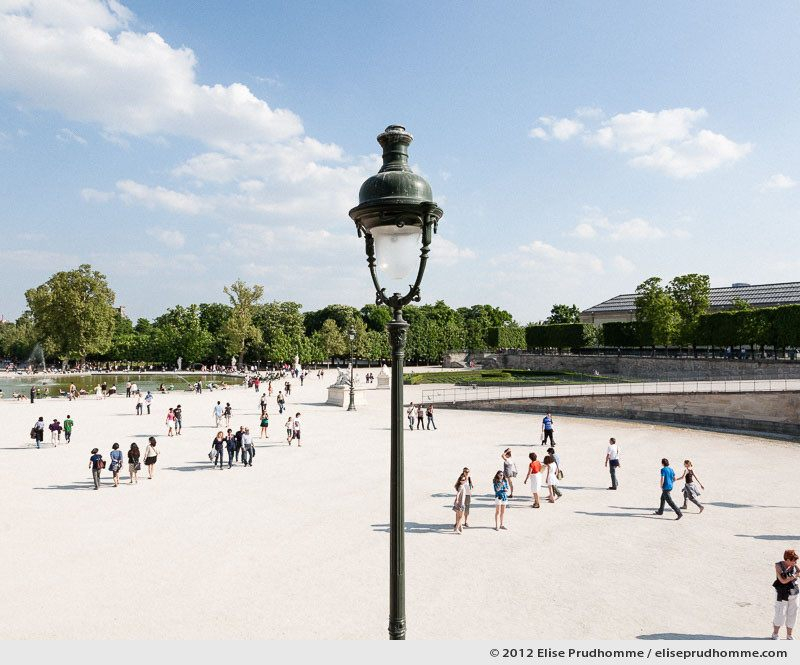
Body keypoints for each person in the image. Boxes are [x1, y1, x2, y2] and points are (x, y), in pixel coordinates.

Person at [771, 549, 799, 640]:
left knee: (793, 613)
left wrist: (793, 575)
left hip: (794, 592)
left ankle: (789, 635)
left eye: (796, 560)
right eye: (793, 560)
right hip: (782, 594)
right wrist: (794, 576)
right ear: (787, 560)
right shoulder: (778, 565)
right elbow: (783, 581)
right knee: (780, 613)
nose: (795, 562)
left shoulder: (794, 566)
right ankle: (775, 634)